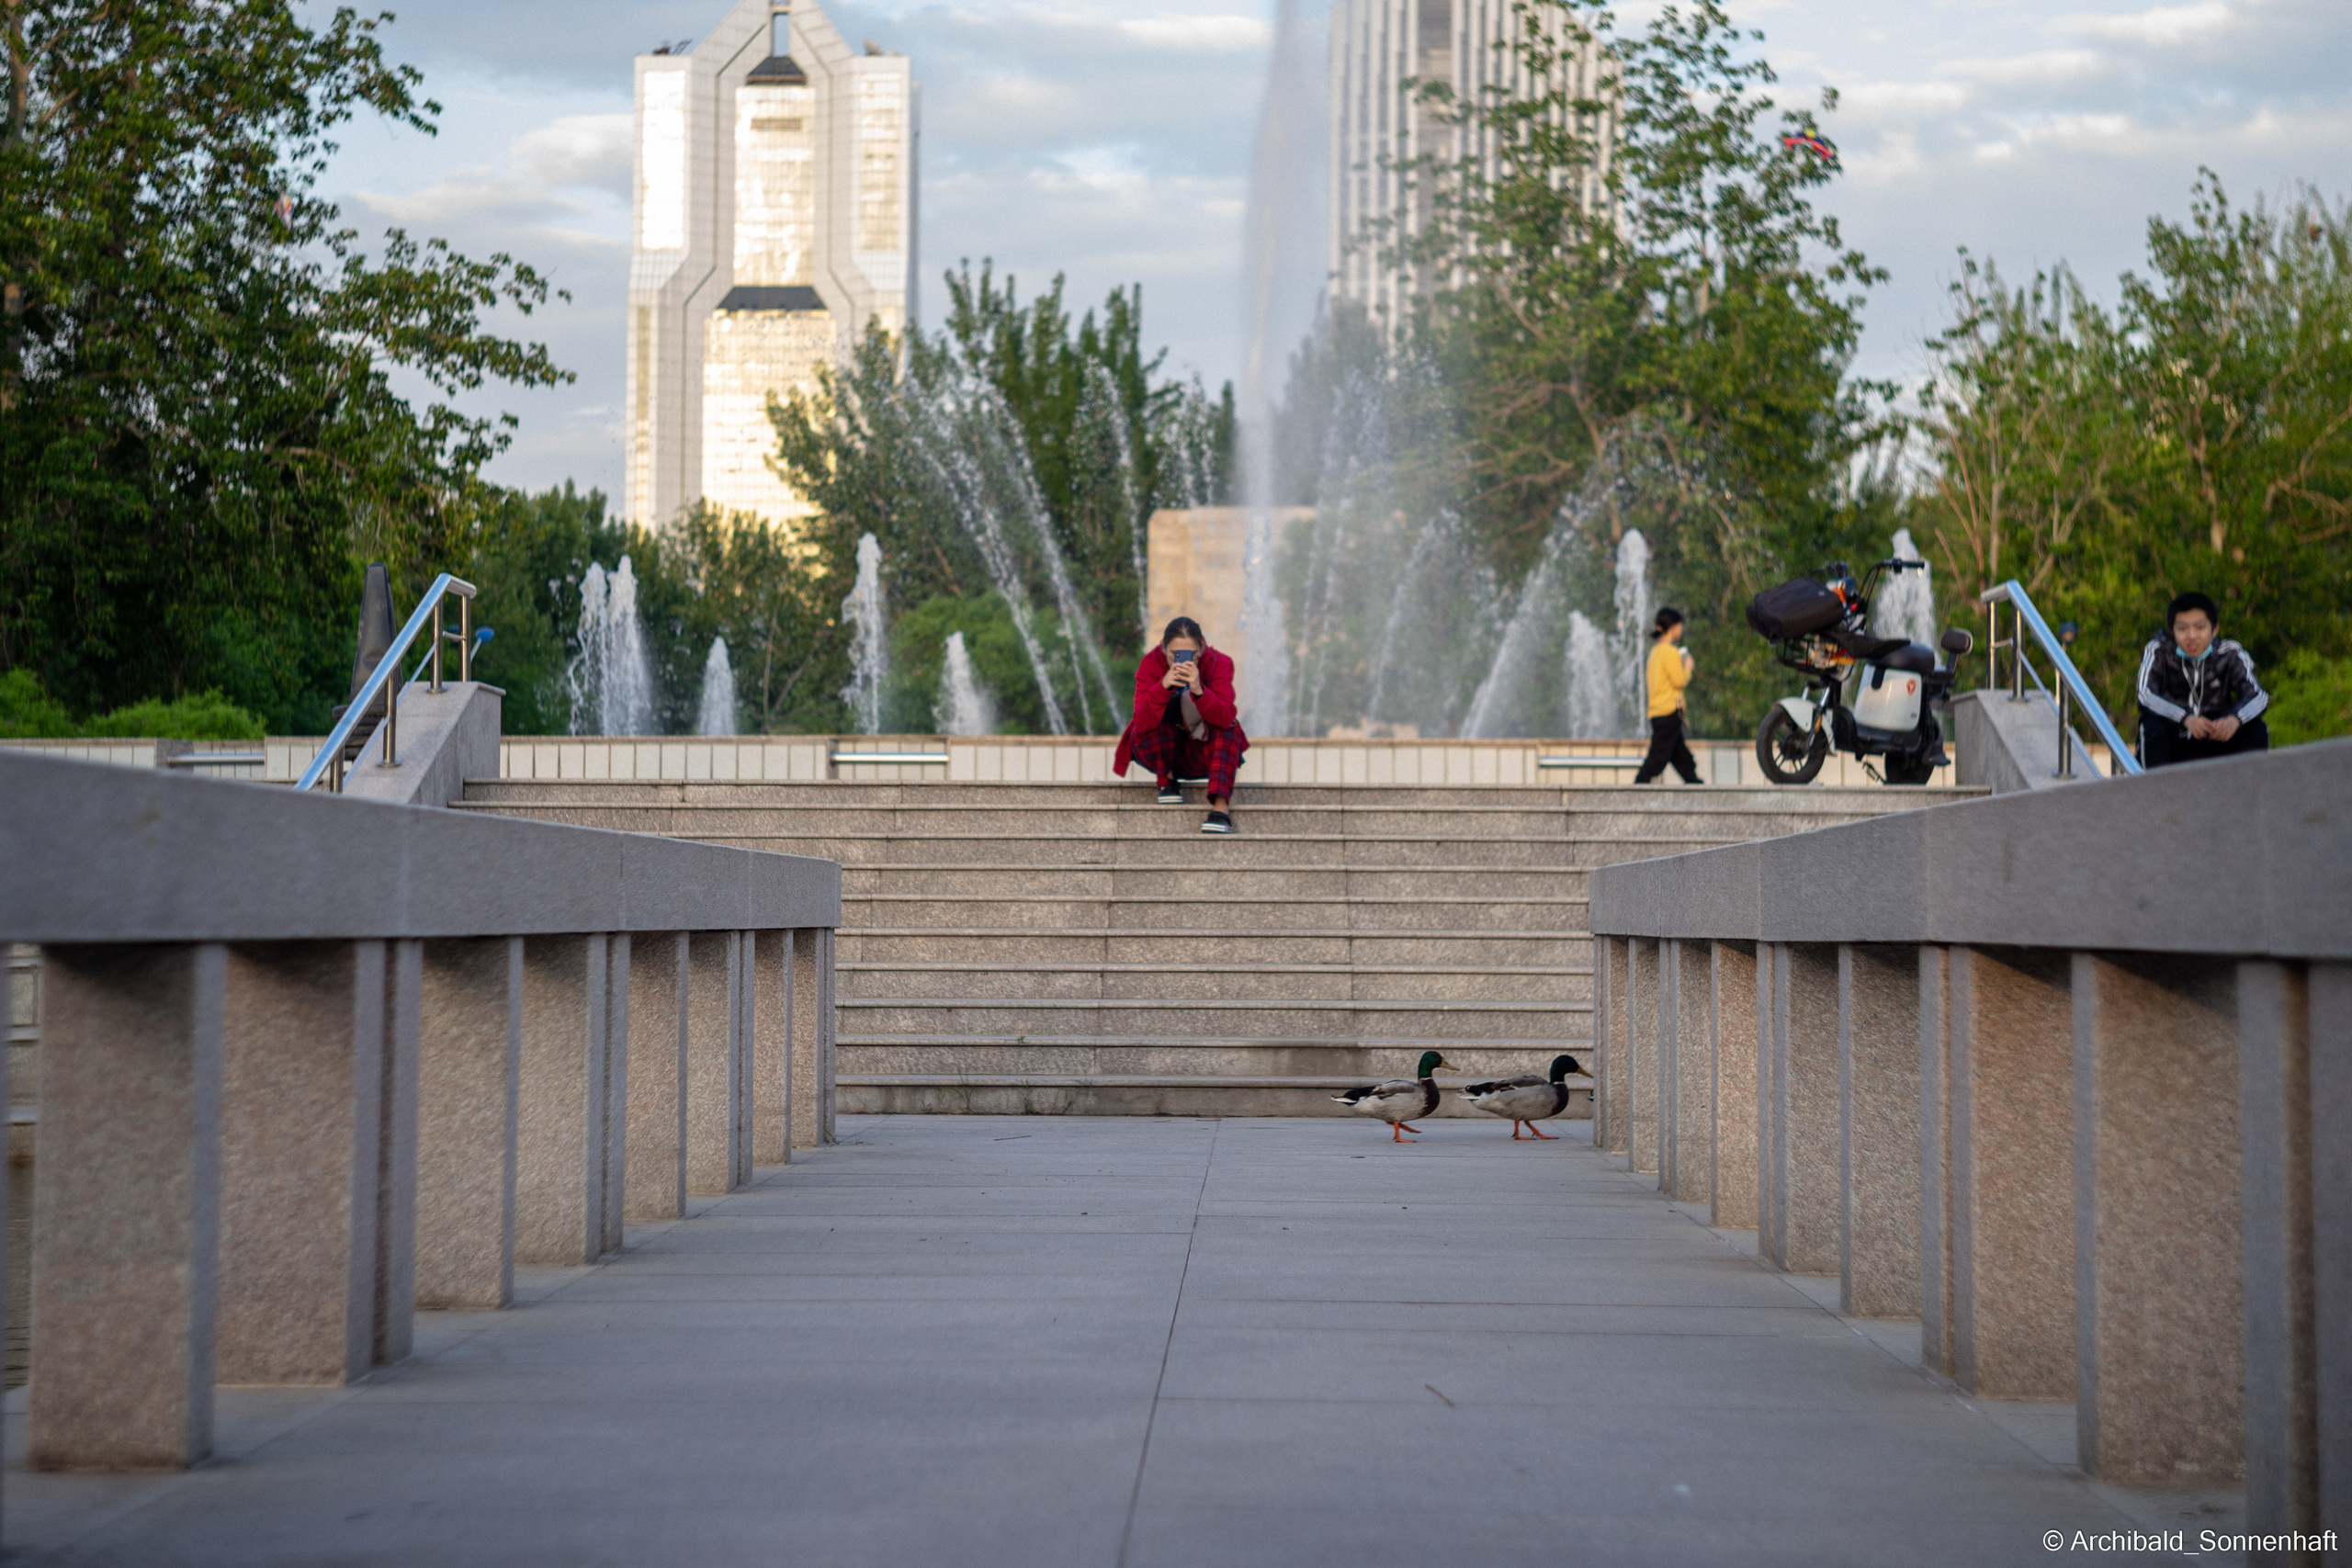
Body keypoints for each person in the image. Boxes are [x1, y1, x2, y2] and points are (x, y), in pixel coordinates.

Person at [1114, 615, 1250, 833]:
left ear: (1202, 649)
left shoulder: (1218, 663)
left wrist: (1199, 690)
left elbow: (1226, 717)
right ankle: (1167, 782)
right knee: (1153, 717)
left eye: (1193, 656)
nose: (1183, 661)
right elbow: (1140, 722)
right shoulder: (1150, 663)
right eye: (1173, 656)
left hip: (1202, 753)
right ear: (1163, 648)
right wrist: (1163, 686)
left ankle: (1221, 810)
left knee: (1229, 726)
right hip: (1161, 752)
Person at [2136, 591, 2269, 768]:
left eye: (2200, 627)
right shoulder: (2158, 651)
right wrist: (2186, 718)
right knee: (2151, 728)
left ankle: (2249, 793)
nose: (2191, 636)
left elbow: (2258, 696)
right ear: (2172, 631)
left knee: (2257, 729)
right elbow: (2145, 695)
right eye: (2182, 628)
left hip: (2217, 737)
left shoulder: (2229, 653)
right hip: (2176, 738)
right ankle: (2152, 791)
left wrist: (2235, 719)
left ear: (2214, 629)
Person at [1634, 607, 1702, 785]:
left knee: (1681, 757)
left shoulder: (1655, 653)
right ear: (1673, 626)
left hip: (1657, 712)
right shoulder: (1669, 652)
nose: (1681, 629)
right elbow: (1679, 681)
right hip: (1669, 711)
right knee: (1658, 757)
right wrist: (1688, 667)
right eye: (1680, 625)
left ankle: (1694, 783)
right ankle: (1638, 786)